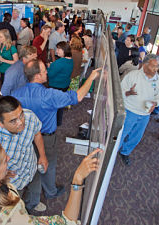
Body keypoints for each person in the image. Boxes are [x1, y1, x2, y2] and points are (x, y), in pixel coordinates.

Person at [0, 138, 101, 225]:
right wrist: (77, 179)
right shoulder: (8, 216)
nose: (8, 159)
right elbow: (67, 223)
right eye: (3, 161)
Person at [12, 59, 101, 200]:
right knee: (48, 164)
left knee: (30, 163)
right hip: (46, 138)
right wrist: (91, 77)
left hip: (24, 137)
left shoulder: (15, 94)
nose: (47, 71)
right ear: (37, 76)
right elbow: (77, 96)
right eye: (43, 71)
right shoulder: (50, 95)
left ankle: (33, 191)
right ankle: (50, 191)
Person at [0, 96, 48, 212]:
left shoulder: (29, 116)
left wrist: (42, 155)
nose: (21, 122)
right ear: (0, 123)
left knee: (35, 192)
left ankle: (33, 203)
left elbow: (37, 134)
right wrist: (2, 176)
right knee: (16, 208)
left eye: (21, 115)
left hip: (32, 168)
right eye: (13, 121)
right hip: (13, 183)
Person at [118, 54, 159, 165]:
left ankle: (125, 152)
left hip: (145, 114)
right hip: (130, 110)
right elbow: (120, 90)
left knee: (136, 136)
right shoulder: (133, 75)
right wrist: (128, 92)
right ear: (144, 65)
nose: (156, 69)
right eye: (153, 66)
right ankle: (112, 152)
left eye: (157, 66)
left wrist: (155, 103)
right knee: (122, 133)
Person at [47, 41, 74, 126]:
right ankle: (58, 122)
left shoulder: (59, 62)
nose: (56, 51)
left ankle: (52, 123)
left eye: (58, 49)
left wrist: (49, 67)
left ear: (64, 50)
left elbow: (50, 75)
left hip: (56, 86)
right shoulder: (70, 60)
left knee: (53, 106)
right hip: (65, 85)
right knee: (60, 105)